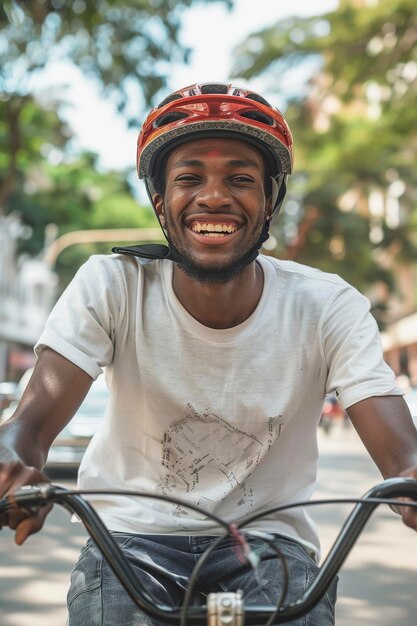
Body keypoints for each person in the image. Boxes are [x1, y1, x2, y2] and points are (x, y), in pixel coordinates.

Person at [1, 82, 417, 626]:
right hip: (130, 541)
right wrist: (12, 461)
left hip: (269, 543)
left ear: (270, 202)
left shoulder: (328, 304)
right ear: (160, 202)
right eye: (189, 178)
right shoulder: (111, 285)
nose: (214, 196)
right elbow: (29, 423)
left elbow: (402, 458)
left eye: (241, 179)